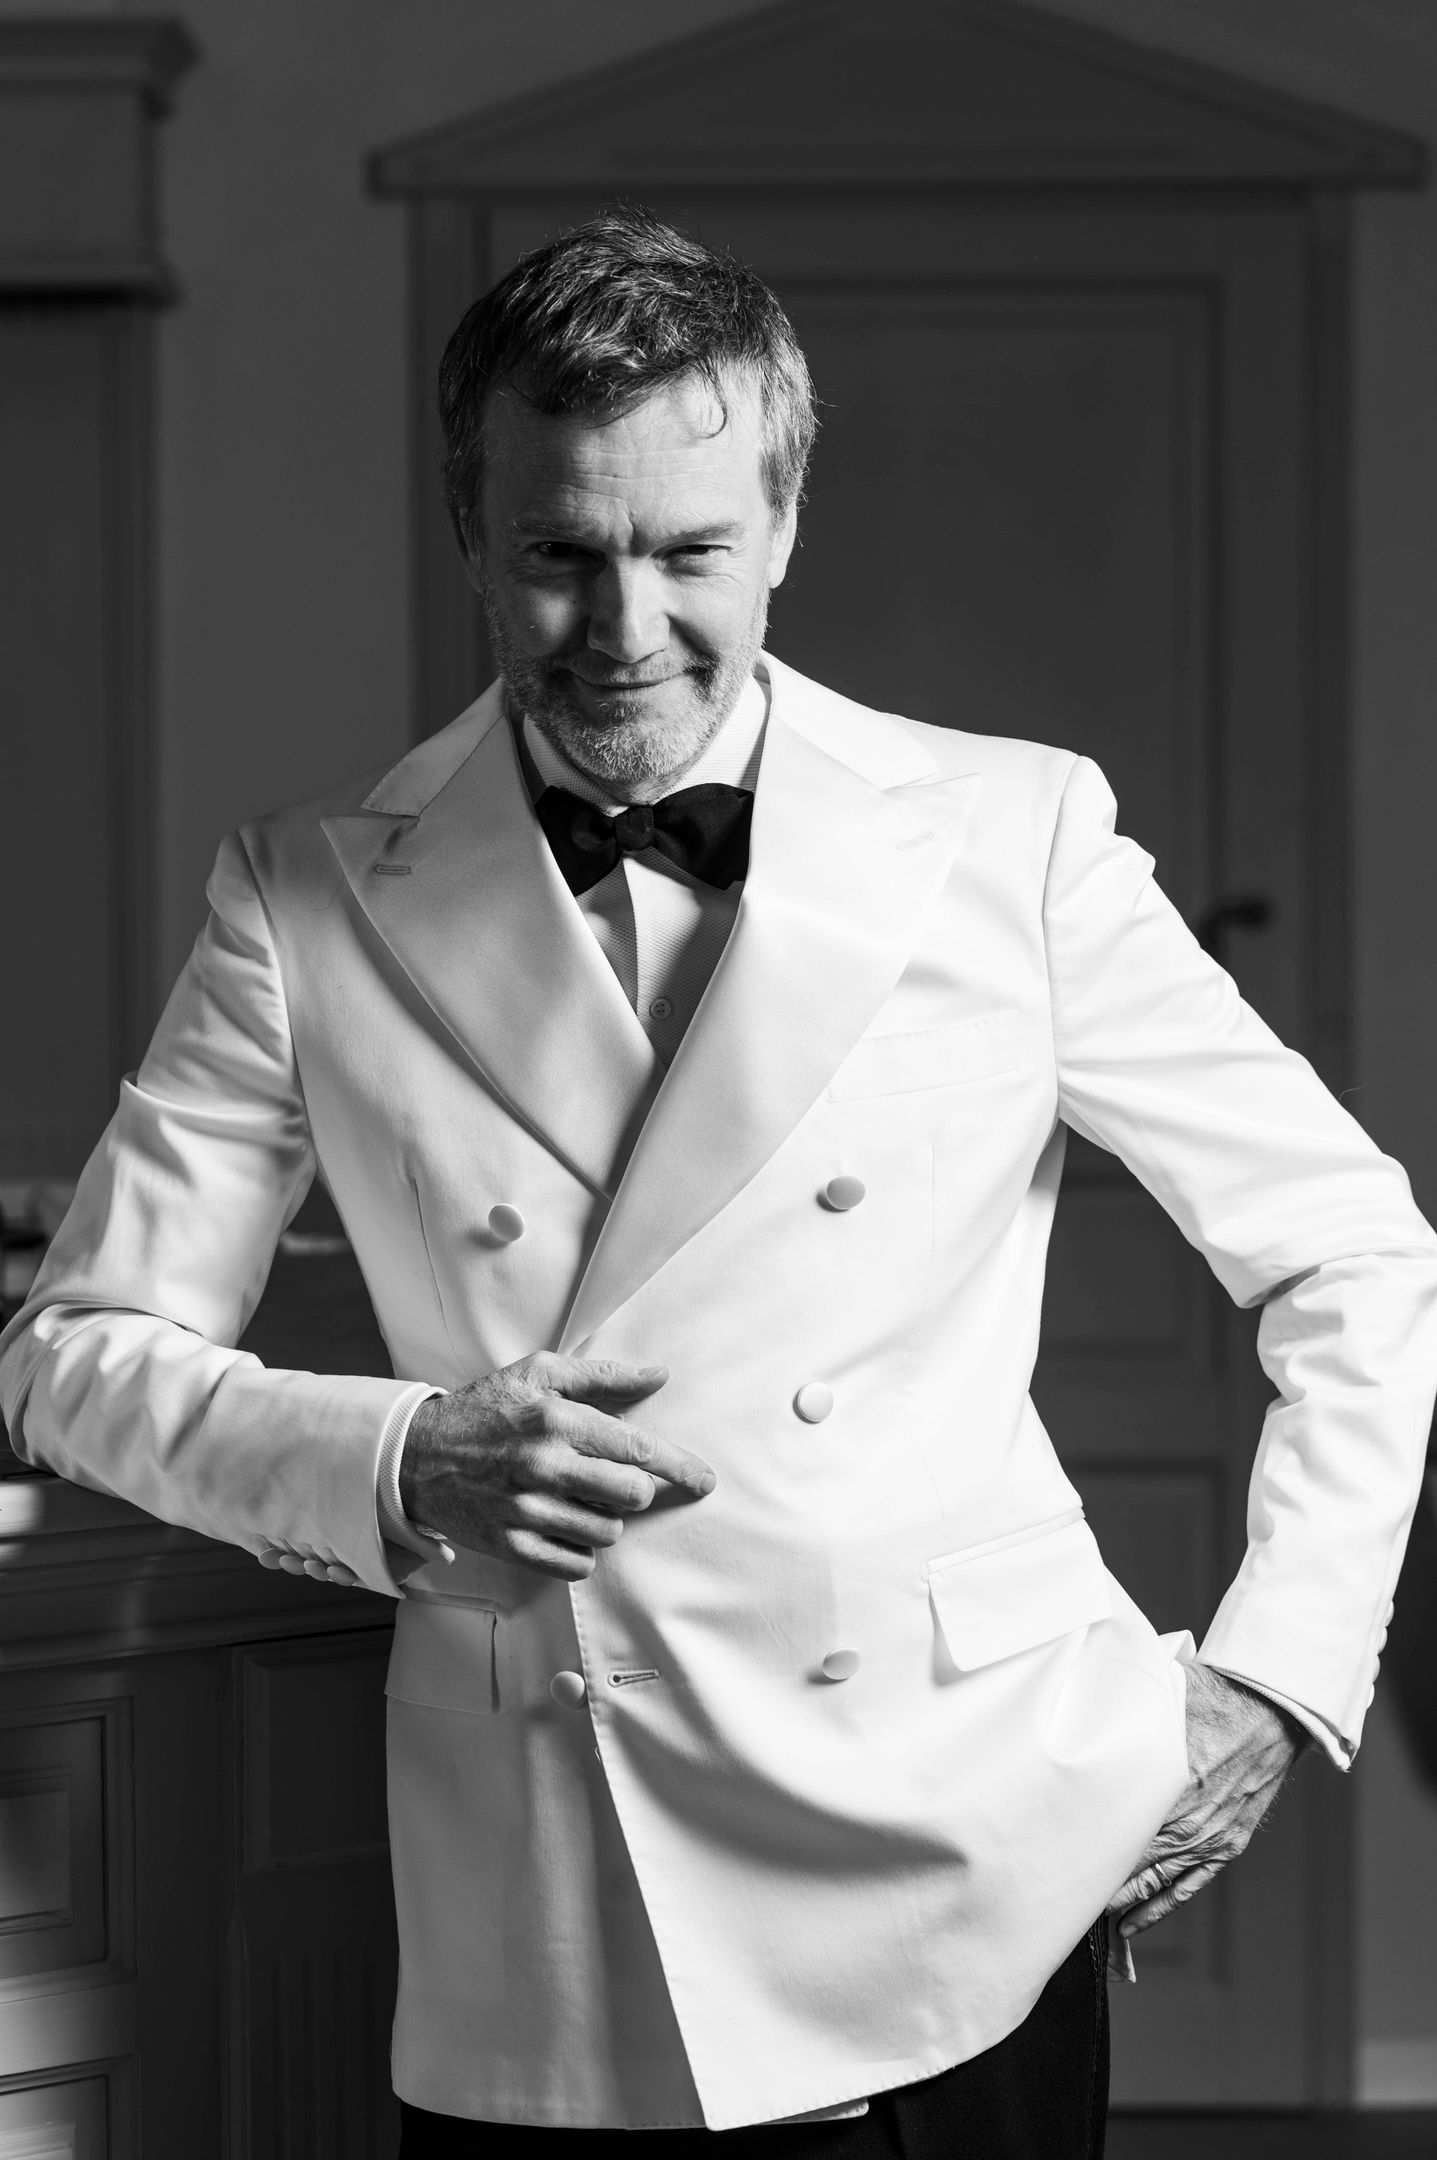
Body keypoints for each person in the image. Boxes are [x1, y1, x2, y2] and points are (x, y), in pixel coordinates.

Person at [2, 206, 1434, 2159]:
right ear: (471, 535)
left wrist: (1272, 1677)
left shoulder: (1008, 835)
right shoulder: (303, 895)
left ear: (781, 524)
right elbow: (71, 1354)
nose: (624, 632)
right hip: (552, 1883)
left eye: (686, 553)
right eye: (558, 557)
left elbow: (1352, 1252)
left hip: (965, 1840)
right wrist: (400, 1459)